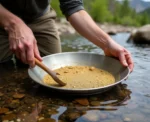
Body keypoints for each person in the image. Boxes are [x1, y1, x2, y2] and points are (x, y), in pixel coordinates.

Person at [0, 0, 134, 71]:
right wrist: (13, 24)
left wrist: (107, 43)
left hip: (40, 17)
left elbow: (72, 6)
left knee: (52, 65)